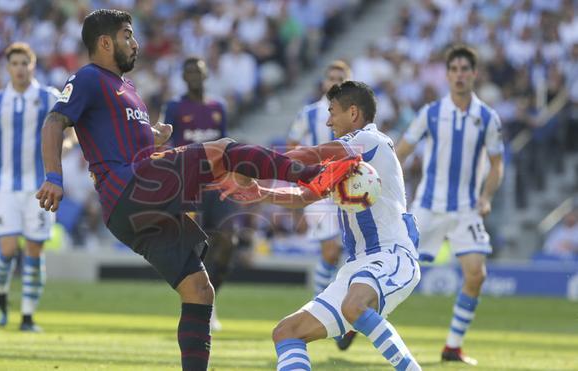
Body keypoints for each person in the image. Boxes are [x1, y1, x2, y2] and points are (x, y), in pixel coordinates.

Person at [35, 9, 358, 370]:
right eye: (128, 35)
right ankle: (313, 175)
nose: (135, 43)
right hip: (132, 187)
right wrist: (53, 177)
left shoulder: (127, 90)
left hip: (131, 208)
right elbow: (54, 121)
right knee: (226, 148)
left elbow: (123, 144)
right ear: (105, 42)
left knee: (199, 291)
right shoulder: (88, 78)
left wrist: (153, 138)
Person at [214, 81, 422, 371]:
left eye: (332, 112)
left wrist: (253, 164)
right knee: (287, 332)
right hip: (356, 267)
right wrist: (260, 192)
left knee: (354, 306)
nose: (327, 120)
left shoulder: (373, 140)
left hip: (392, 255)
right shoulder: (346, 161)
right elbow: (304, 196)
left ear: (353, 113)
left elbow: (313, 154)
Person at [395, 44, 504, 365]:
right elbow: (400, 152)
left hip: (467, 209)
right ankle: (355, 317)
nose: (459, 75)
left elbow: (497, 163)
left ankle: (452, 347)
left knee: (476, 275)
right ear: (447, 75)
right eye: (453, 70)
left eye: (464, 70)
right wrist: (391, 193)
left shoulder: (487, 117)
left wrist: (486, 196)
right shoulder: (430, 112)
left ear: (474, 74)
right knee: (396, 270)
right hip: (428, 206)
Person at [0, 42, 59, 332]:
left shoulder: (48, 97)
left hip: (40, 187)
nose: (20, 68)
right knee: (8, 249)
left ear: (33, 65)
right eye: (15, 64)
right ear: (8, 68)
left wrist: (69, 145)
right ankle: (1, 297)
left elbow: (68, 130)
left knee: (35, 250)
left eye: (25, 63)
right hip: (7, 187)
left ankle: (27, 317)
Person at [161, 57, 238, 332]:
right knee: (196, 247)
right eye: (189, 71)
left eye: (198, 71)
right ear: (183, 76)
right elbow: (166, 142)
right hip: (188, 183)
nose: (194, 76)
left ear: (207, 75)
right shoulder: (174, 107)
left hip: (217, 183)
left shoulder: (218, 107)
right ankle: (199, 303)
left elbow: (225, 145)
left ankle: (211, 297)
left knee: (229, 240)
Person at [287, 60, 358, 350]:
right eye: (331, 77)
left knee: (347, 255)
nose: (334, 81)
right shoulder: (310, 113)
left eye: (341, 78)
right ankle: (322, 315)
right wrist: (301, 175)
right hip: (318, 190)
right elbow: (291, 146)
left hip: (350, 191)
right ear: (324, 81)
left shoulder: (355, 117)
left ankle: (333, 315)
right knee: (330, 251)